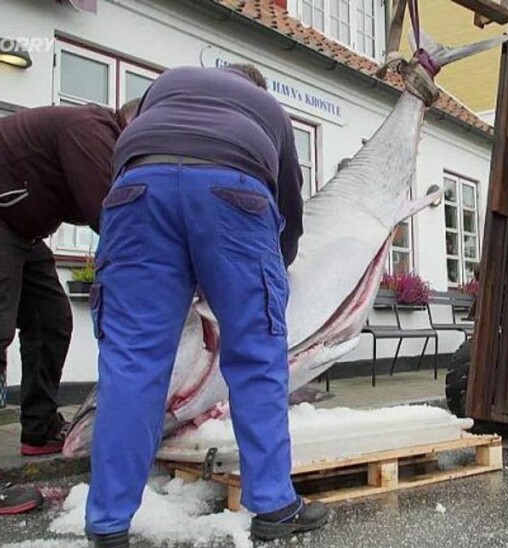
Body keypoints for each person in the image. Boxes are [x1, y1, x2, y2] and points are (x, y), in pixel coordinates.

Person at [84, 64, 327, 546]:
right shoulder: (268, 109)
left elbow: (131, 158)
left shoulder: (166, 84)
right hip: (234, 193)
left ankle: (108, 524)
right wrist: (275, 266)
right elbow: (290, 203)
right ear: (253, 87)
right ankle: (275, 506)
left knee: (133, 361)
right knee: (257, 357)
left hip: (139, 189)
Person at [0, 100, 139, 515]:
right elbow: (113, 218)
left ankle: (38, 429)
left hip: (13, 225)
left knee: (51, 318)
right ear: (133, 124)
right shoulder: (92, 128)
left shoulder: (103, 142)